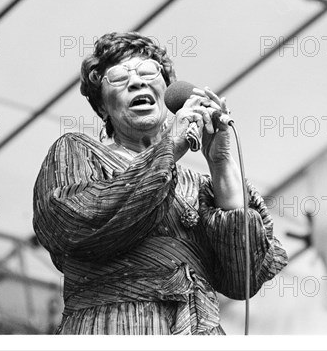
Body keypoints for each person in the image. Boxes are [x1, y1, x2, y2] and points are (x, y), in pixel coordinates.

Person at [33, 32, 288, 335]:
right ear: (102, 108)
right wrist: (170, 147)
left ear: (167, 94)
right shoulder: (77, 151)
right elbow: (75, 223)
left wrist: (220, 162)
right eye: (118, 77)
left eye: (148, 73)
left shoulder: (198, 186)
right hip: (111, 325)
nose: (137, 82)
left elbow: (242, 276)